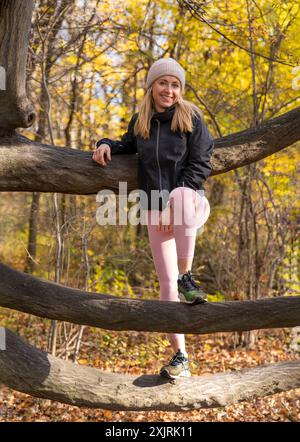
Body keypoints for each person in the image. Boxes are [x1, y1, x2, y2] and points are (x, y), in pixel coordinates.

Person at [92, 58, 214, 380]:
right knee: (164, 285)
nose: (169, 90)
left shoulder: (192, 119)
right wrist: (105, 144)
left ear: (180, 90)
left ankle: (188, 277)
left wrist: (171, 208)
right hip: (155, 210)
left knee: (180, 196)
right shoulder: (141, 121)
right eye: (163, 83)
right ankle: (181, 356)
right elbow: (125, 145)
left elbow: (201, 163)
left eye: (175, 85)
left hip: (189, 205)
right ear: (152, 86)